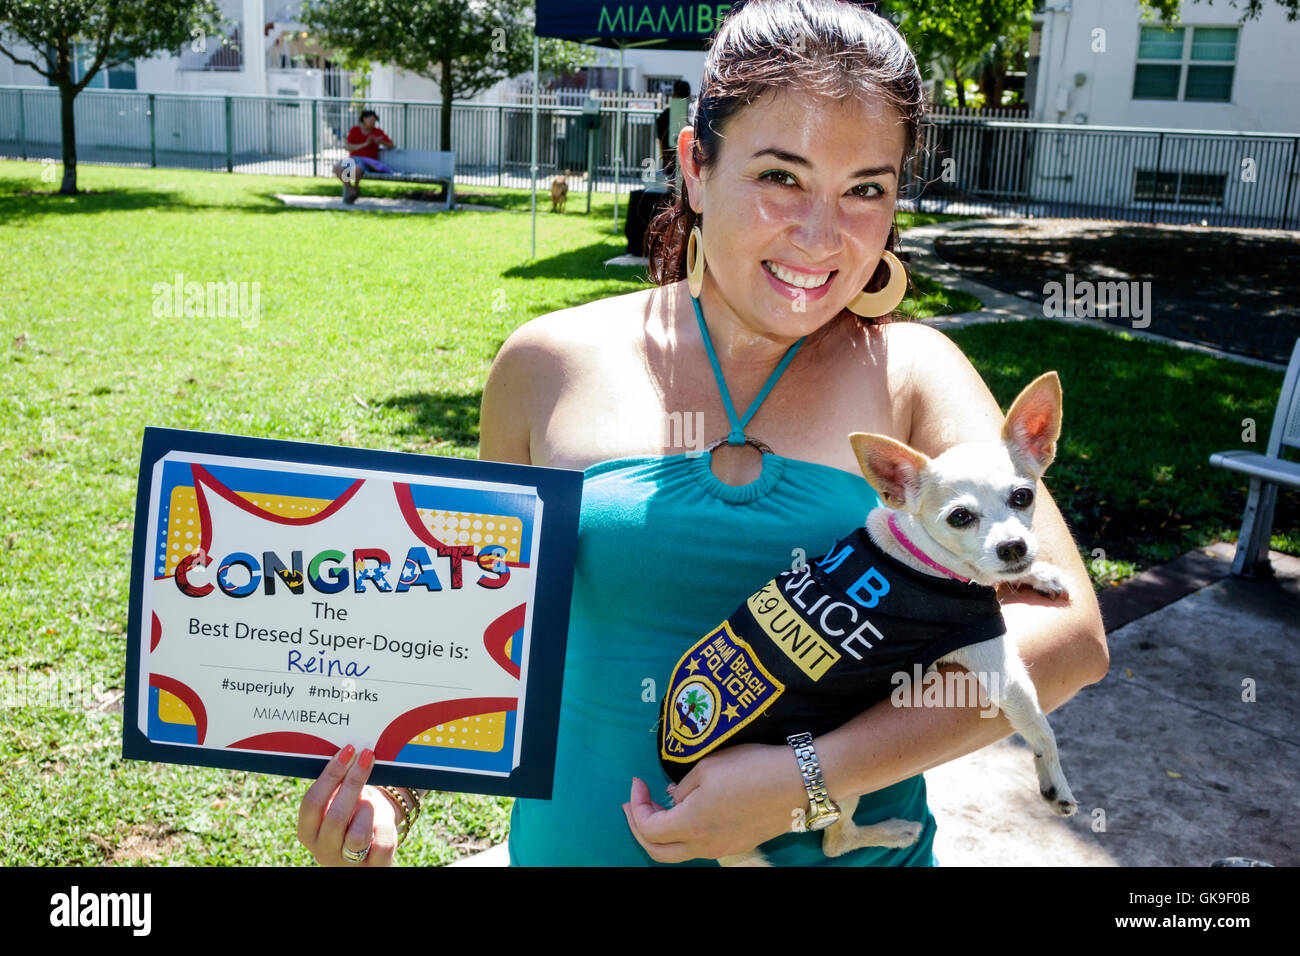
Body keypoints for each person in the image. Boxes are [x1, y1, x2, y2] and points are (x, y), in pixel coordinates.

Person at [295, 0, 1108, 867]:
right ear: (693, 165)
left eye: (865, 188)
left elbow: (1067, 641)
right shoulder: (545, 364)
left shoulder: (916, 372)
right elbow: (484, 628)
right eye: (780, 176)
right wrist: (388, 795)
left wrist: (810, 776)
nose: (820, 235)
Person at [332, 109, 395, 202]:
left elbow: (392, 145)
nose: (373, 123)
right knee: (337, 168)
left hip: (368, 162)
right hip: (353, 159)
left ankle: (356, 188)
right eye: (371, 120)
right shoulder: (355, 130)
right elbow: (348, 147)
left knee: (357, 169)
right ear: (364, 119)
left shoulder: (377, 132)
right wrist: (366, 144)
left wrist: (381, 141)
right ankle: (351, 189)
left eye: (374, 121)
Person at [655, 79, 692, 182]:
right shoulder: (692, 116)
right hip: (688, 165)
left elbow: (660, 143)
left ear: (673, 95)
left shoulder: (663, 116)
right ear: (688, 96)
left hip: (669, 164)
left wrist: (664, 160)